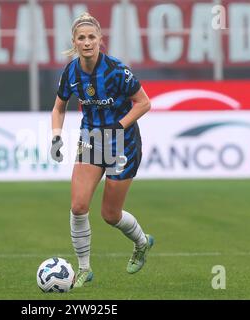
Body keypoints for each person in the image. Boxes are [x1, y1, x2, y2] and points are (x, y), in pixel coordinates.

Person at [50, 12, 154, 288]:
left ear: (100, 40)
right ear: (74, 41)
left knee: (110, 215)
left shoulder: (117, 70)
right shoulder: (70, 72)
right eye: (81, 38)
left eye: (91, 37)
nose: (87, 42)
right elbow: (59, 107)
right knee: (78, 206)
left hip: (123, 143)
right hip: (92, 139)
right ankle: (84, 269)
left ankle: (142, 243)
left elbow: (144, 103)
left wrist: (118, 127)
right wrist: (56, 137)